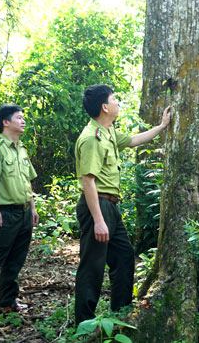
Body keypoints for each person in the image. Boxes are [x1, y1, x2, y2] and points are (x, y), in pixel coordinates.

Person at [74, 84, 171, 325]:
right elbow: (88, 180)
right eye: (115, 99)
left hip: (110, 207)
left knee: (125, 257)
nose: (119, 103)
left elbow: (133, 140)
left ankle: (121, 314)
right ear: (105, 107)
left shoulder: (107, 132)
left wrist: (162, 126)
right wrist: (98, 220)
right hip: (98, 206)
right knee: (93, 265)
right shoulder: (92, 138)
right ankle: (83, 324)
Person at [0, 105, 39, 315]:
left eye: (23, 117)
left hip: (24, 213)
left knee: (15, 260)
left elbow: (28, 182)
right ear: (5, 122)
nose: (23, 121)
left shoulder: (21, 149)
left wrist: (33, 208)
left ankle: (8, 303)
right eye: (19, 117)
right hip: (4, 212)